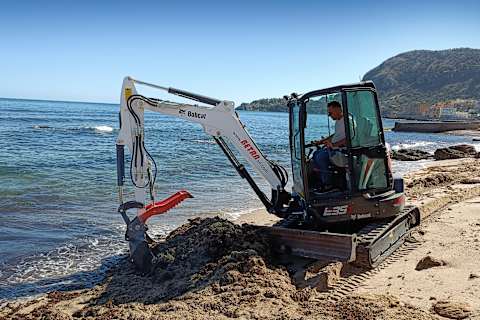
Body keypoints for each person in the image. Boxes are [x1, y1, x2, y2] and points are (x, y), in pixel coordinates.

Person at [311, 101, 347, 190]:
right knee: (315, 154)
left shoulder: (347, 121)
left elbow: (349, 138)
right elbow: (335, 135)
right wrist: (321, 141)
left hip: (341, 150)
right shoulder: (339, 121)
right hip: (334, 147)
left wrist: (333, 145)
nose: (329, 115)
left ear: (338, 109)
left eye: (330, 113)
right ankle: (322, 180)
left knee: (320, 157)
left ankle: (328, 184)